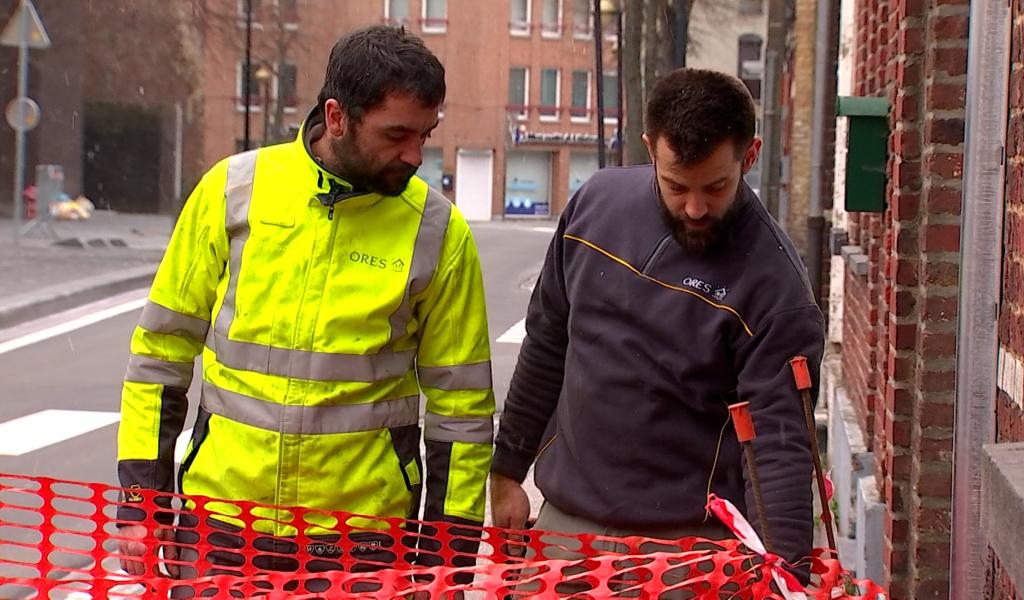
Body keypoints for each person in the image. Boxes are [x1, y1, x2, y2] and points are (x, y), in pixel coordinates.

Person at [115, 25, 494, 596]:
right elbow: (159, 357)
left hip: (363, 541)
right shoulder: (232, 192)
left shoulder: (438, 230)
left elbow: (461, 409)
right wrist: (141, 503)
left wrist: (448, 559)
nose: (415, 155)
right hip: (223, 525)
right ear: (337, 117)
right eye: (396, 134)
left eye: (425, 134)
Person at [490, 68, 824, 593]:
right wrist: (508, 469)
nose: (695, 208)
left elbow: (780, 448)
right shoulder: (594, 207)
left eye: (716, 186)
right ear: (650, 149)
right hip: (564, 533)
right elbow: (548, 342)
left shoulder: (774, 287)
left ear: (750, 156)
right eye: (676, 185)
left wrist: (786, 579)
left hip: (688, 554)